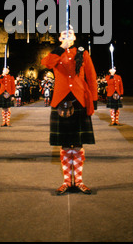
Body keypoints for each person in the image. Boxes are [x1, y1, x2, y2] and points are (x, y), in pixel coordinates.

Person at [41, 28, 98, 195]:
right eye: (63, 34)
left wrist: (93, 99)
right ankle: (66, 181)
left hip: (79, 99)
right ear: (59, 38)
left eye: (70, 34)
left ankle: (79, 181)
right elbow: (46, 63)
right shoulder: (55, 54)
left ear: (74, 38)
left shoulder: (83, 53)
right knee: (65, 145)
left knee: (78, 145)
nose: (67, 36)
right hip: (60, 101)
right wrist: (60, 48)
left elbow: (91, 76)